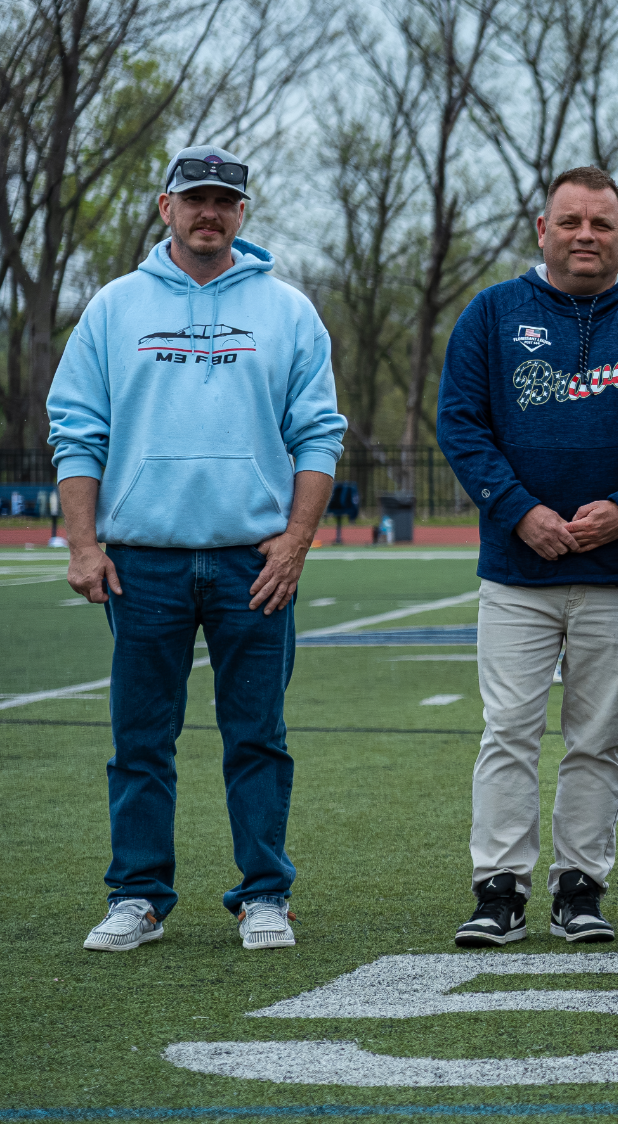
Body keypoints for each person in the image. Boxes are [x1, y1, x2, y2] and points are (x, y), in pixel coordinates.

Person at [49, 144, 346, 952]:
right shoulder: (114, 308)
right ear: (165, 207)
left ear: (242, 213)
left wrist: (294, 542)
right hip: (143, 562)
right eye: (194, 199)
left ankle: (264, 895)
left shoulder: (288, 311)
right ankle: (138, 895)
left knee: (258, 736)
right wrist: (83, 546)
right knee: (140, 739)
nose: (208, 213)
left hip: (254, 563)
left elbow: (319, 433)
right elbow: (77, 430)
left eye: (224, 201)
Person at [437, 166, 618, 948]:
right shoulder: (493, 314)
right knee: (507, 729)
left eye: (602, 223)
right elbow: (460, 423)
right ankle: (499, 888)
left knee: (599, 739)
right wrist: (521, 512)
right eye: (571, 221)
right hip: (519, 572)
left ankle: (581, 886)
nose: (587, 235)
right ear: (542, 230)